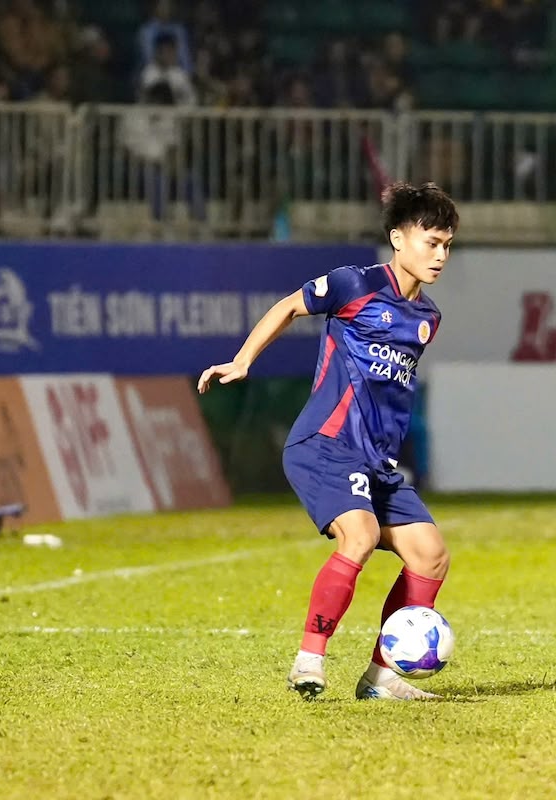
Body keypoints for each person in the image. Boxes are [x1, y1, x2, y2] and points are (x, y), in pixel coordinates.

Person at [197, 182, 459, 701]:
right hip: (326, 444)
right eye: (431, 242)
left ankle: (382, 677)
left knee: (430, 555)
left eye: (447, 245)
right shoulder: (354, 284)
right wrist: (244, 360)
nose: (440, 255)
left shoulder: (427, 319)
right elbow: (288, 306)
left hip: (376, 462)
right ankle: (309, 661)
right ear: (397, 239)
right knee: (359, 536)